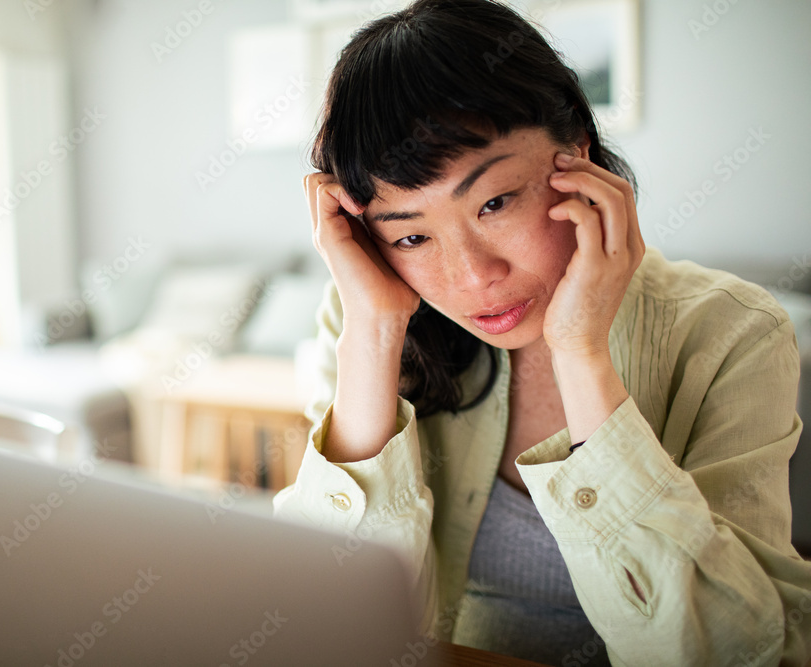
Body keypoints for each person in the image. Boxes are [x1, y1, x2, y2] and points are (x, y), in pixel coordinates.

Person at [271, 0, 811, 664]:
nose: (473, 276)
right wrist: (377, 333)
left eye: (494, 202)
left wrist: (582, 353)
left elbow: (734, 649)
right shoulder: (371, 318)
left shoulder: (732, 332)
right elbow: (326, 626)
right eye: (412, 235)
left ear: (578, 154)